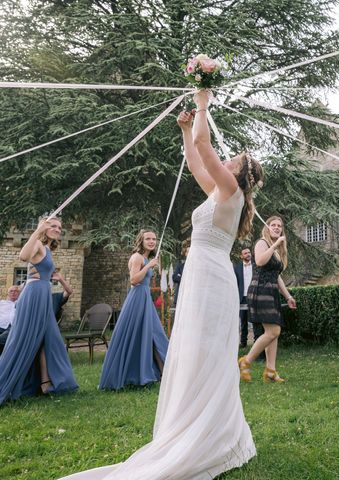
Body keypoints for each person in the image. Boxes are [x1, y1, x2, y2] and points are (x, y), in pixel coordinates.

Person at [59, 90, 265, 479]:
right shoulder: (221, 192)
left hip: (211, 278)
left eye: (234, 158)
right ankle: (195, 422)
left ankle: (208, 430)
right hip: (204, 274)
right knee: (193, 349)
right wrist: (186, 130)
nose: (228, 157)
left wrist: (204, 99)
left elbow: (207, 147)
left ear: (240, 171)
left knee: (203, 350)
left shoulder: (233, 191)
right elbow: (196, 158)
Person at [0, 218, 78, 406]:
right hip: (33, 295)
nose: (58, 229)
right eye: (53, 226)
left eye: (60, 227)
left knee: (47, 338)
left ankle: (45, 383)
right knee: (23, 339)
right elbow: (23, 257)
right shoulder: (37, 243)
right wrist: (37, 230)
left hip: (43, 294)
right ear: (44, 227)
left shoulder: (48, 249)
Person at [98, 229, 170, 390]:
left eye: (154, 239)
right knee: (142, 333)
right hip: (137, 298)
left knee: (153, 334)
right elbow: (134, 279)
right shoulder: (137, 257)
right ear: (141, 241)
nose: (152, 241)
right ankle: (130, 374)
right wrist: (148, 266)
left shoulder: (145, 258)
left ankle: (164, 372)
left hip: (145, 299)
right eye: (148, 239)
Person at [239, 216, 297, 383]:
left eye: (279, 226)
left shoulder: (278, 250)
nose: (277, 228)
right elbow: (259, 260)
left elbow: (276, 276)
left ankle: (271, 371)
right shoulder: (262, 243)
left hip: (271, 291)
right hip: (260, 290)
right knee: (273, 331)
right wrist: (275, 245)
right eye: (273, 225)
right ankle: (246, 361)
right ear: (267, 227)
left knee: (273, 333)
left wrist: (288, 296)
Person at [234, 247, 253, 348]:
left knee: (256, 319)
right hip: (242, 297)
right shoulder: (236, 268)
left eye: (249, 252)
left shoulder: (256, 265)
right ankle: (243, 342)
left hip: (254, 296)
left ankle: (258, 341)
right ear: (241, 256)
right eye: (245, 253)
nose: (248, 254)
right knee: (243, 321)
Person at [0, 285, 21, 354]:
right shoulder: (2, 303)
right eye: (11, 291)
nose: (13, 293)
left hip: (12, 327)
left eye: (16, 291)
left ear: (20, 293)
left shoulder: (21, 304)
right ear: (8, 293)